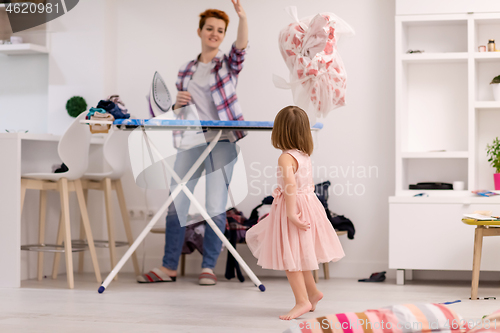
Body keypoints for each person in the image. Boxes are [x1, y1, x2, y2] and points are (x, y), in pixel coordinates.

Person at [137, 0, 248, 286]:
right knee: (177, 203)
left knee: (215, 205)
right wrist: (177, 102)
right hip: (190, 140)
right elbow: (175, 110)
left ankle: (208, 266)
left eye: (220, 30)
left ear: (224, 35)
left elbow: (241, 48)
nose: (214, 33)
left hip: (222, 141)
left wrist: (242, 18)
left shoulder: (227, 64)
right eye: (209, 28)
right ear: (200, 31)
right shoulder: (185, 70)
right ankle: (168, 267)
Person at [245, 106, 345, 320]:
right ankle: (313, 293)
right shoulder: (304, 155)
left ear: (280, 131)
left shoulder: (285, 158)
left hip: (294, 208)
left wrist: (291, 213)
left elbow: (290, 185)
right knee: (299, 255)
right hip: (308, 204)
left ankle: (302, 301)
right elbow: (303, 184)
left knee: (289, 256)